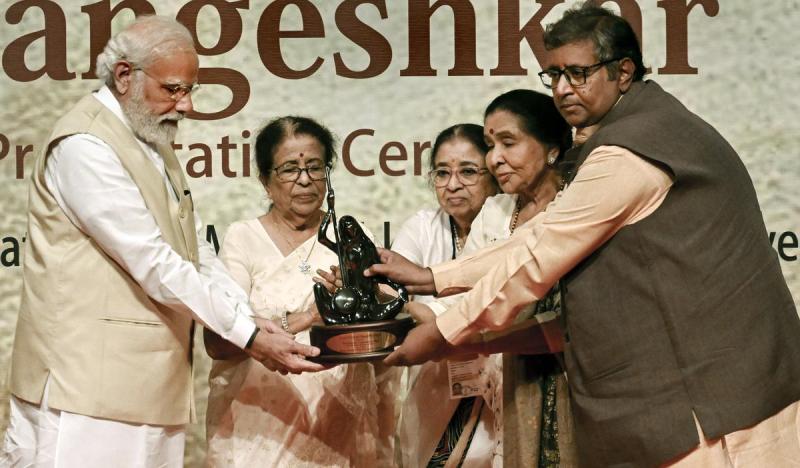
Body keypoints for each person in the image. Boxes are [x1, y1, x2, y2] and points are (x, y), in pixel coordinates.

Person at [369, 3, 800, 467]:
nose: (561, 89)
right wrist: (434, 277)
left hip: (712, 410)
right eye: (552, 75)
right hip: (710, 397)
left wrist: (446, 333)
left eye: (578, 73)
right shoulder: (643, 130)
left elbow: (538, 258)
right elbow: (539, 239)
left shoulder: (631, 150)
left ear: (623, 71)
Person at [1, 17, 322, 468]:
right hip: (88, 393)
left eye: (190, 90)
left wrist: (245, 315)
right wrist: (248, 335)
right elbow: (152, 261)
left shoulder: (151, 140)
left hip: (146, 388)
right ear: (125, 76)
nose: (186, 104)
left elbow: (192, 249)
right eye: (173, 89)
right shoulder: (85, 146)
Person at [204, 116, 397, 467]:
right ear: (266, 180)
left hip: (342, 427)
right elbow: (217, 341)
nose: (305, 179)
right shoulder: (243, 239)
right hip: (260, 430)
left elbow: (386, 341)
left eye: (315, 167)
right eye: (290, 169)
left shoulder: (352, 236)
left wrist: (360, 307)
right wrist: (308, 317)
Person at [417, 90, 576, 467]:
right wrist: (403, 309)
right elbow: (469, 299)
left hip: (571, 381)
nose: (495, 158)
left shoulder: (577, 209)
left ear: (551, 148)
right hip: (505, 383)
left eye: (508, 142)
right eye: (490, 145)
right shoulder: (496, 209)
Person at [391, 123, 499, 468]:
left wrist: (426, 311)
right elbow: (388, 291)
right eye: (442, 173)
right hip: (434, 387)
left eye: (468, 171)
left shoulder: (510, 224)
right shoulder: (424, 225)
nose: (452, 185)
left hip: (500, 383)